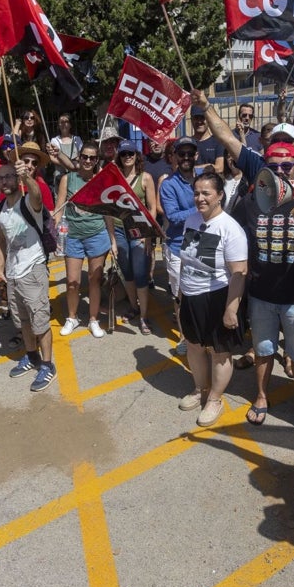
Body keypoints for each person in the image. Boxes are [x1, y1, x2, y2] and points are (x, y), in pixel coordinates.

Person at [201, 97, 294, 429]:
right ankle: (262, 396)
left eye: (287, 166)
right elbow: (227, 139)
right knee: (264, 349)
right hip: (262, 295)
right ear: (264, 164)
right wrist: (205, 106)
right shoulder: (256, 187)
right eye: (274, 166)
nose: (280, 171)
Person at [175, 172, 248, 427]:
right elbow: (188, 261)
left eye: (206, 193)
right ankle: (199, 388)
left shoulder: (231, 229)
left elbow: (239, 274)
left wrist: (231, 309)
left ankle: (215, 398)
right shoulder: (191, 221)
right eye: (196, 193)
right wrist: (181, 294)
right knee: (194, 346)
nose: (200, 198)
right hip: (191, 295)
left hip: (217, 296)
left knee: (219, 353)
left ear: (219, 196)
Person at [0, 159, 57, 391]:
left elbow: (38, 196)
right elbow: (2, 240)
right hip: (13, 274)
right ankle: (31, 356)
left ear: (17, 178)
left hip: (33, 270)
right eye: (0, 178)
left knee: (40, 322)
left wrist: (27, 177)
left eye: (9, 176)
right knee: (24, 322)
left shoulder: (28, 203)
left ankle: (48, 365)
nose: (4, 181)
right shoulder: (0, 208)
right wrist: (1, 270)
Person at [57, 143, 115, 338]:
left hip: (97, 234)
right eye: (84, 156)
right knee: (72, 281)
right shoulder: (68, 179)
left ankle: (93, 319)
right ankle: (72, 317)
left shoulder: (101, 181)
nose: (88, 161)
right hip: (73, 235)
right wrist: (56, 234)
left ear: (97, 160)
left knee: (94, 279)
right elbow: (59, 209)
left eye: (92, 158)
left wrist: (112, 240)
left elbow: (108, 214)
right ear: (79, 157)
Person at [112, 140, 158, 333]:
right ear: (119, 157)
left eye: (131, 153)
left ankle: (144, 316)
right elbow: (108, 209)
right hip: (119, 229)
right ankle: (134, 307)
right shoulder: (114, 178)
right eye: (124, 154)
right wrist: (112, 239)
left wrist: (148, 234)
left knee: (140, 274)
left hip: (139, 230)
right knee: (127, 273)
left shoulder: (145, 178)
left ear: (137, 155)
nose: (127, 157)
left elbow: (152, 208)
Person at [159, 136, 200, 354]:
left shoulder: (205, 177)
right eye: (181, 153)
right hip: (177, 246)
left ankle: (200, 333)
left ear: (196, 156)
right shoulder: (168, 185)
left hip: (204, 243)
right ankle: (184, 336)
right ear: (174, 156)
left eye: (189, 153)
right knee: (180, 295)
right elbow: (173, 217)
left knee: (203, 290)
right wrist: (203, 206)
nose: (186, 157)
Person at [189, 107, 224, 175]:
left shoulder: (217, 142)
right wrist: (209, 166)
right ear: (191, 120)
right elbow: (179, 168)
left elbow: (219, 168)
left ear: (208, 119)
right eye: (196, 118)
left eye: (202, 118)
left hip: (212, 183)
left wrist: (194, 169)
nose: (199, 122)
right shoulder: (187, 143)